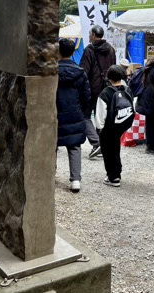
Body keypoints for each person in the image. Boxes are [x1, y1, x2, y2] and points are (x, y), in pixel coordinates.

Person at [56, 38, 91, 193]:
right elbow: (86, 95)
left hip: (54, 111)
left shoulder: (51, 72)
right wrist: (83, 112)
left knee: (51, 145)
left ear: (57, 51)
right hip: (74, 110)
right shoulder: (80, 72)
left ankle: (49, 176)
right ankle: (75, 180)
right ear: (73, 52)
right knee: (74, 146)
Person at [95, 66, 136, 187]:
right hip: (122, 124)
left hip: (109, 126)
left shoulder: (106, 92)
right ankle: (117, 172)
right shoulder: (127, 90)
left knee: (107, 151)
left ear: (109, 77)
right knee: (115, 148)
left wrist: (100, 128)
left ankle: (113, 177)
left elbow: (101, 112)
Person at [80, 25, 116, 159]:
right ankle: (104, 145)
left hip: (92, 88)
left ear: (94, 35)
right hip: (107, 88)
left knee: (84, 116)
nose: (89, 36)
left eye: (90, 34)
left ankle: (97, 143)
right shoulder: (111, 50)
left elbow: (84, 71)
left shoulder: (90, 49)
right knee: (102, 117)